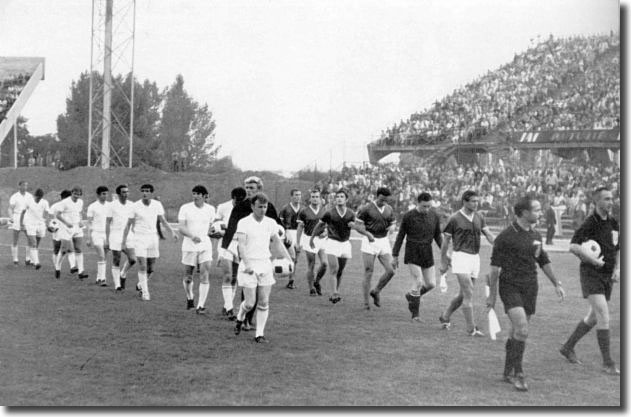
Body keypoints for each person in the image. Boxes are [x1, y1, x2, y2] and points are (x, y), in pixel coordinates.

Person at [486, 196, 565, 392]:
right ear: (524, 213)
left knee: (516, 332)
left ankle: (507, 371)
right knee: (522, 329)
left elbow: (543, 260)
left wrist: (556, 283)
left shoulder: (536, 235)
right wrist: (492, 296)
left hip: (530, 286)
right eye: (537, 209)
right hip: (510, 286)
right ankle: (519, 374)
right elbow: (494, 270)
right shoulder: (505, 237)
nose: (540, 212)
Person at [559, 187, 620, 375]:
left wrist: (617, 269)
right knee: (603, 314)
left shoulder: (613, 222)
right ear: (597, 202)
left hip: (607, 275)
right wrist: (592, 260)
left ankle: (567, 347)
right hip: (591, 273)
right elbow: (573, 246)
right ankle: (608, 363)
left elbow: (618, 248)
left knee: (593, 317)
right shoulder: (589, 223)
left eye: (612, 198)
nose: (611, 201)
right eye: (607, 199)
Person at [220, 177, 280, 328]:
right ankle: (245, 318)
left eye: (252, 187)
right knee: (248, 282)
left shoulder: (268, 206)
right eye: (247, 187)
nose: (248, 190)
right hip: (245, 249)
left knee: (260, 289)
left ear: (259, 189)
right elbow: (231, 226)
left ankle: (247, 317)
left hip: (262, 250)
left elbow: (277, 225)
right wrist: (224, 250)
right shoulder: (240, 206)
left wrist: (286, 239)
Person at [233, 193, 292, 343]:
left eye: (265, 207)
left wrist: (289, 259)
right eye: (260, 206)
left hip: (265, 263)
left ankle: (259, 334)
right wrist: (247, 264)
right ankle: (240, 316)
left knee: (264, 301)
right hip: (249, 265)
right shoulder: (244, 223)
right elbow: (241, 245)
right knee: (249, 303)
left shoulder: (271, 223)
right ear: (253, 206)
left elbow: (277, 242)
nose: (263, 209)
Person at [439, 190, 494, 335]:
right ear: (464, 201)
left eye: (477, 201)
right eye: (473, 201)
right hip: (460, 257)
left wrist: (500, 246)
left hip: (475, 258)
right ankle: (471, 329)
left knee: (463, 294)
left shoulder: (479, 217)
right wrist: (443, 261)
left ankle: (445, 315)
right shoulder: (454, 218)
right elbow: (445, 242)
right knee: (469, 291)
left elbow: (488, 234)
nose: (476, 204)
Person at [310, 189, 373, 304]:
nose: (339, 198)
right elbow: (319, 225)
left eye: (342, 197)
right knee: (334, 268)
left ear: (346, 199)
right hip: (332, 242)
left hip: (345, 244)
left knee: (340, 271)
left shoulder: (350, 213)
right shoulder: (329, 213)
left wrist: (367, 234)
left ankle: (335, 292)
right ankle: (334, 293)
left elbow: (356, 227)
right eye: (337, 196)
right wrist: (311, 238)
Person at [122, 184, 178, 301]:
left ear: (152, 193)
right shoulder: (135, 206)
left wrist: (172, 232)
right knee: (142, 265)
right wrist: (123, 241)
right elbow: (128, 224)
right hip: (139, 238)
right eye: (143, 191)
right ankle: (145, 293)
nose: (145, 193)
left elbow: (163, 220)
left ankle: (140, 285)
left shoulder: (157, 205)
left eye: (147, 191)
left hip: (153, 238)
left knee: (151, 268)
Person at [391, 192, 442, 320]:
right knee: (418, 281)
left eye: (429, 206)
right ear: (418, 203)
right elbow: (400, 235)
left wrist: (445, 252)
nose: (427, 209)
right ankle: (415, 315)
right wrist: (395, 255)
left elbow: (438, 236)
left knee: (431, 284)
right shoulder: (408, 216)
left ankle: (411, 296)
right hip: (412, 251)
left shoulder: (434, 215)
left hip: (427, 251)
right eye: (424, 206)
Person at [177, 185, 216, 314]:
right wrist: (192, 236)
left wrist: (214, 233)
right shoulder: (185, 208)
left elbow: (211, 227)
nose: (196, 196)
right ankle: (190, 298)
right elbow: (181, 227)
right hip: (189, 245)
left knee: (205, 274)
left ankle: (201, 306)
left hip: (205, 245)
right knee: (188, 277)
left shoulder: (211, 209)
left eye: (199, 194)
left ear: (204, 196)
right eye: (194, 193)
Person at [359, 187, 397, 310]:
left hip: (383, 241)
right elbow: (357, 226)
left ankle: (376, 291)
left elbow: (393, 222)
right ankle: (365, 303)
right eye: (382, 199)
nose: (384, 202)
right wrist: (367, 234)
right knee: (369, 271)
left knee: (391, 270)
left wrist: (392, 227)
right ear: (377, 196)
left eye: (386, 200)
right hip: (369, 241)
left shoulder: (389, 209)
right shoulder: (367, 209)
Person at [215, 187, 247, 318]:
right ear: (232, 198)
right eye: (237, 200)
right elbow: (215, 223)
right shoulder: (223, 207)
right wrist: (217, 231)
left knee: (234, 278)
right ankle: (229, 308)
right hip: (226, 243)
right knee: (227, 276)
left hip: (240, 244)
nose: (239, 202)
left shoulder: (246, 208)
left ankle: (227, 304)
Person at [296, 188, 328, 296]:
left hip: (321, 240)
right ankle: (311, 288)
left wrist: (326, 233)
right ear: (310, 199)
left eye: (317, 197)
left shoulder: (324, 210)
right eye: (313, 197)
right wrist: (297, 242)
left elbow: (328, 225)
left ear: (320, 198)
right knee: (311, 264)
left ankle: (317, 281)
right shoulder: (304, 212)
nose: (315, 199)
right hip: (309, 239)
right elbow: (300, 228)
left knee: (324, 264)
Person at [105, 184, 137, 291]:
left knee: (133, 259)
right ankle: (117, 285)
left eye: (127, 192)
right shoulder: (112, 205)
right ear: (118, 194)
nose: (126, 194)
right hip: (115, 234)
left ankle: (123, 273)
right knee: (116, 259)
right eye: (123, 192)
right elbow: (108, 222)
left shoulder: (132, 205)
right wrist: (107, 239)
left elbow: (133, 221)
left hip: (128, 235)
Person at [53, 186, 89, 280]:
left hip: (77, 227)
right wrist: (66, 223)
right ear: (72, 193)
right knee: (64, 250)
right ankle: (57, 267)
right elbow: (57, 215)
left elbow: (79, 213)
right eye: (75, 194)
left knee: (78, 248)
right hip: (66, 228)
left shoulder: (80, 202)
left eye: (78, 194)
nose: (77, 196)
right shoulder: (64, 202)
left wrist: (80, 221)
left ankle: (81, 271)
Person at [86, 186, 112, 286]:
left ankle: (98, 278)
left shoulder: (110, 206)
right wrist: (88, 238)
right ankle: (102, 279)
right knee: (101, 255)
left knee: (104, 257)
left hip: (107, 234)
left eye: (106, 194)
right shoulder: (92, 207)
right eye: (103, 194)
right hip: (96, 233)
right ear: (98, 195)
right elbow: (89, 223)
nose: (105, 196)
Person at [19, 188, 50, 270]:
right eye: (37, 197)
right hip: (30, 224)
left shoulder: (45, 202)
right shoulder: (28, 201)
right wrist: (21, 224)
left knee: (36, 243)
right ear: (34, 195)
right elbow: (22, 212)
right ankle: (37, 263)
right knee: (33, 243)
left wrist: (47, 223)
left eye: (40, 197)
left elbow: (46, 214)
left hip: (40, 224)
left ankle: (28, 259)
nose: (38, 199)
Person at [278, 189, 302, 289]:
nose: (298, 197)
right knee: (292, 256)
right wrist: (285, 232)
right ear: (291, 196)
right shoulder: (285, 209)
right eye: (296, 195)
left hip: (299, 234)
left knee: (296, 259)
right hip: (288, 233)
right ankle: (285, 273)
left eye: (299, 195)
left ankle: (291, 281)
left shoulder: (303, 209)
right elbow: (279, 223)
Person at [49, 190, 75, 279]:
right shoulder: (56, 206)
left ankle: (70, 267)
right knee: (59, 250)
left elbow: (50, 218)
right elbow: (51, 218)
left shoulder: (57, 206)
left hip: (63, 230)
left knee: (66, 249)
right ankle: (57, 267)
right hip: (58, 230)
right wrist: (51, 226)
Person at [8, 180, 34, 266]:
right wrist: (11, 218)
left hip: (27, 218)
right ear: (19, 186)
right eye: (23, 185)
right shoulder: (14, 196)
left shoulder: (30, 196)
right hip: (17, 217)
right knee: (15, 239)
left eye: (26, 186)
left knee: (30, 238)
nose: (25, 187)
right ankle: (15, 259)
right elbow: (10, 208)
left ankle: (28, 259)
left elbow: (32, 208)